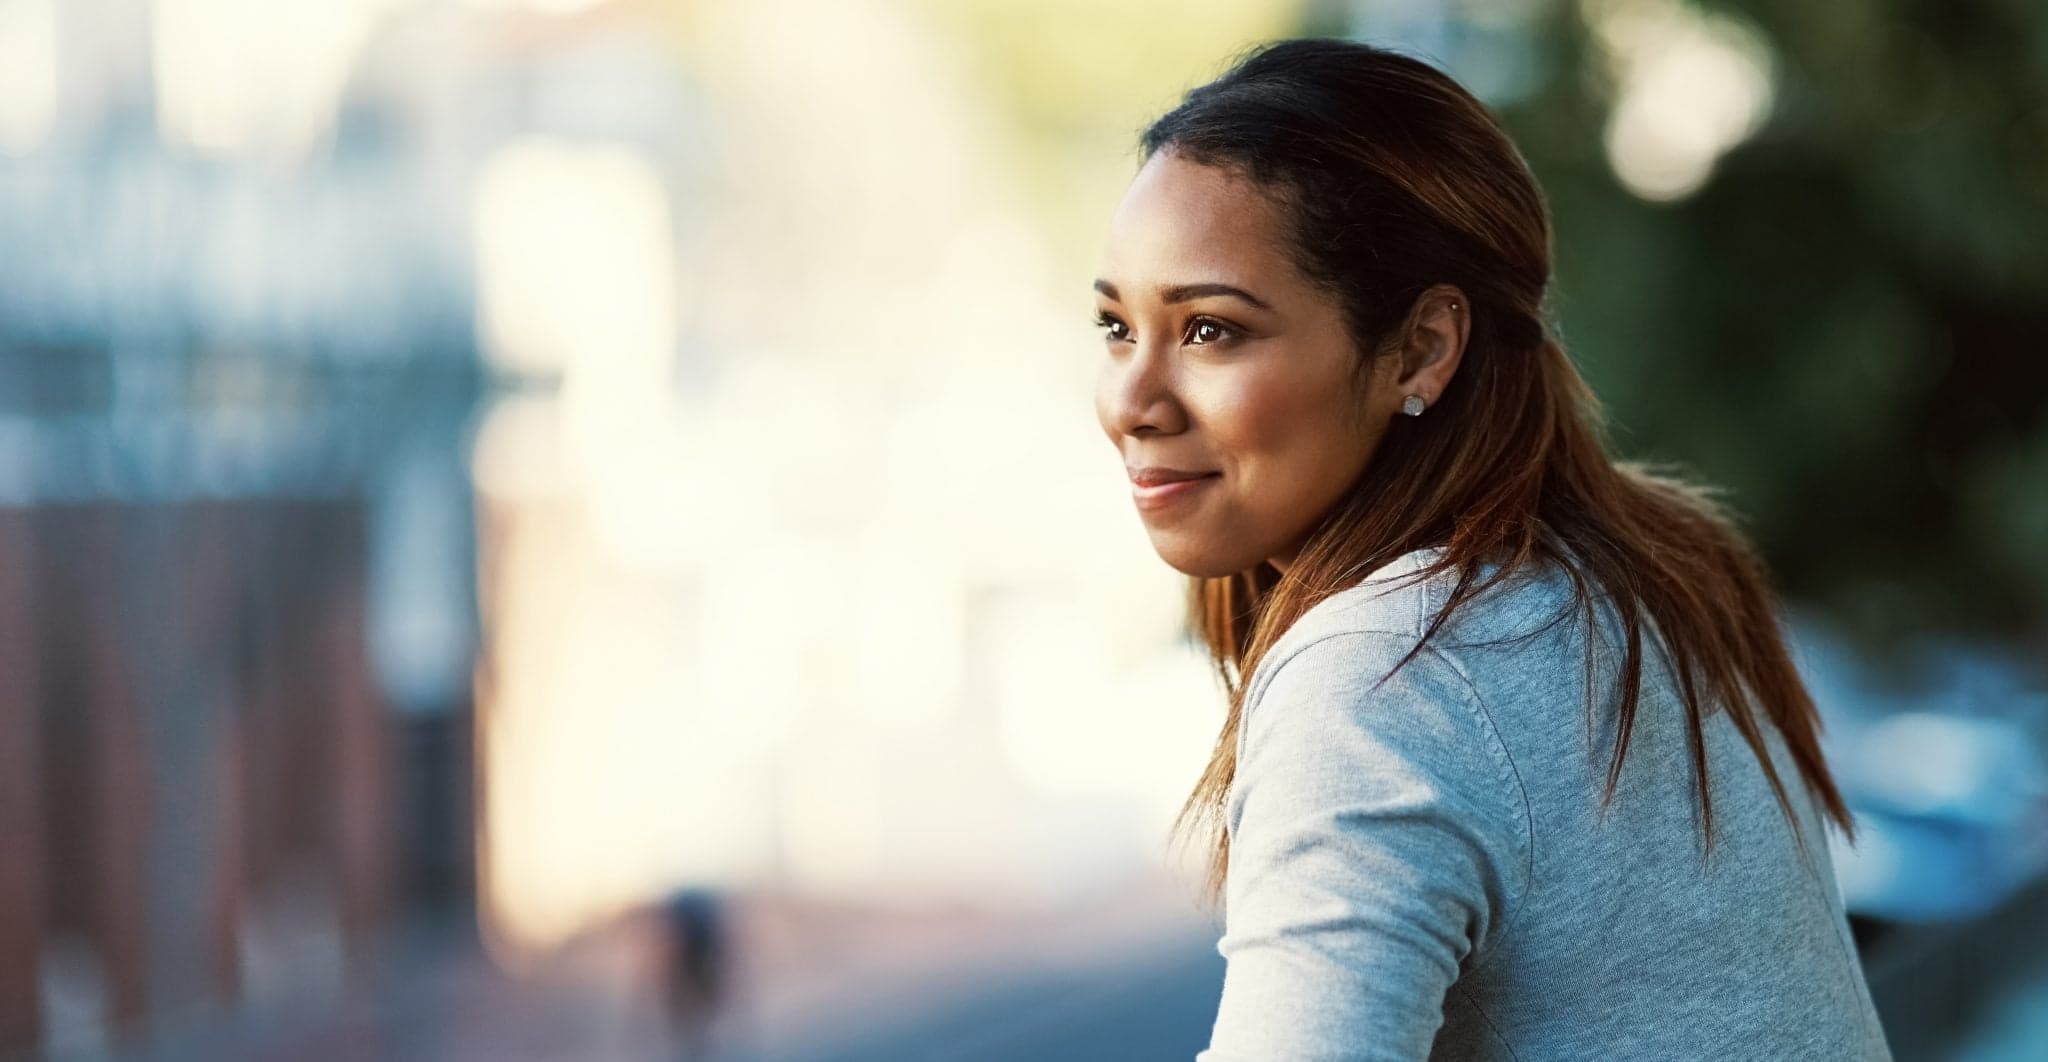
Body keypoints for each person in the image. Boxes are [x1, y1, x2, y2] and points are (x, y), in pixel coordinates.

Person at [1091, 38, 1891, 1060]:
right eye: (1115, 325)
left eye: (1210, 330)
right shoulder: (1651, 571)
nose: (1130, 402)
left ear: (1421, 348)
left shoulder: (1386, 676)